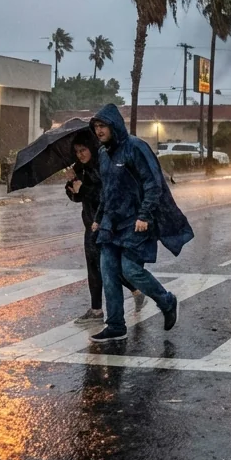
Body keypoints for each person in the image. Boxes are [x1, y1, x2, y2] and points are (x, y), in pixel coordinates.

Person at [87, 104, 194, 344]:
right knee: (108, 272)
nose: (99, 131)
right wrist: (98, 219)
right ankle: (115, 325)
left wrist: (144, 215)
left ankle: (166, 301)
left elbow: (153, 183)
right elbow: (107, 191)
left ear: (114, 125)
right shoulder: (104, 154)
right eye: (96, 127)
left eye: (102, 126)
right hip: (111, 224)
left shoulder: (135, 148)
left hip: (135, 223)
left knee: (130, 270)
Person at [64, 133, 138, 324]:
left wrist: (84, 189)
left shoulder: (102, 166)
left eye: (83, 150)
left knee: (108, 265)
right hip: (90, 224)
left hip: (106, 224)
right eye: (77, 152)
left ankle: (136, 289)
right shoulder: (81, 169)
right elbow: (77, 198)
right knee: (95, 267)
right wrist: (71, 183)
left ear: (91, 148)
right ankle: (97, 309)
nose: (80, 154)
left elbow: (106, 196)